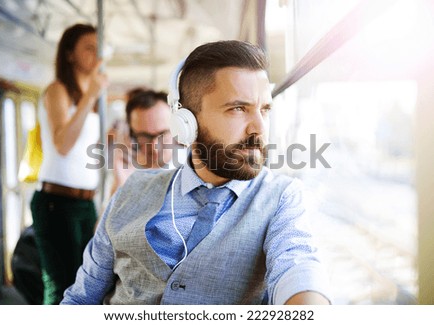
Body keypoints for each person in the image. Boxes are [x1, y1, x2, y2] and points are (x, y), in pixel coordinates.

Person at [61, 40, 331, 305]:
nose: (258, 128)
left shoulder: (282, 197)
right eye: (238, 109)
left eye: (265, 109)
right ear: (186, 123)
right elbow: (80, 298)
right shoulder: (132, 189)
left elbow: (298, 266)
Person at [30, 23, 108, 304]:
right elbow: (63, 144)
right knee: (62, 284)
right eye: (88, 48)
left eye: (99, 48)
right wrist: (90, 96)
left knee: (87, 283)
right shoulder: (58, 90)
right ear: (70, 54)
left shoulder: (93, 97)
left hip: (86, 202)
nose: (96, 54)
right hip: (56, 201)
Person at [109, 88, 186, 195]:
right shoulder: (128, 170)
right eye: (145, 136)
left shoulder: (193, 165)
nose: (154, 146)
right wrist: (122, 185)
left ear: (176, 129)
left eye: (162, 134)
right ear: (132, 134)